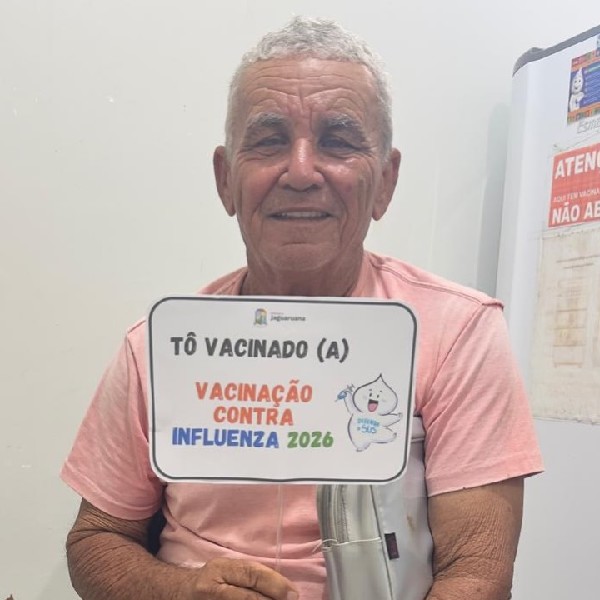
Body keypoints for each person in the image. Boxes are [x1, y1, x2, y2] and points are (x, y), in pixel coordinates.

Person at [62, 16, 543, 600]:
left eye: (338, 142)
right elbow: (96, 539)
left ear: (386, 182)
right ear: (225, 180)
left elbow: (477, 573)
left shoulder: (459, 333)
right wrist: (178, 592)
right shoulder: (158, 347)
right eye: (269, 141)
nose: (300, 171)